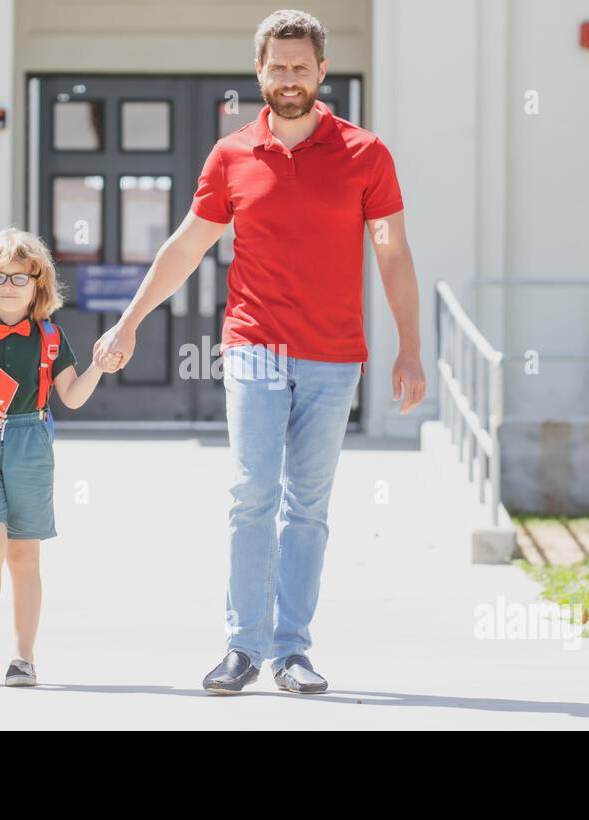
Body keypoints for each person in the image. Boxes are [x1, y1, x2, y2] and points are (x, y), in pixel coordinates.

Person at [92, 9, 426, 695]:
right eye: (278, 67)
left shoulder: (366, 155)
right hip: (254, 347)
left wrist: (410, 348)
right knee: (252, 492)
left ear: (322, 72)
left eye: (302, 67)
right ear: (259, 71)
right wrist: (128, 324)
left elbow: (392, 257)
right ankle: (243, 646)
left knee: (308, 503)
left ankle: (292, 651)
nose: (290, 79)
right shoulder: (233, 154)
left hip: (335, 355)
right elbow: (186, 246)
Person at [0, 227, 120, 687]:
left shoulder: (51, 339)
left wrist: (98, 364)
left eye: (20, 277)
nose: (9, 286)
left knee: (24, 555)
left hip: (30, 443)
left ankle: (24, 657)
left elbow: (71, 397)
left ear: (39, 284)